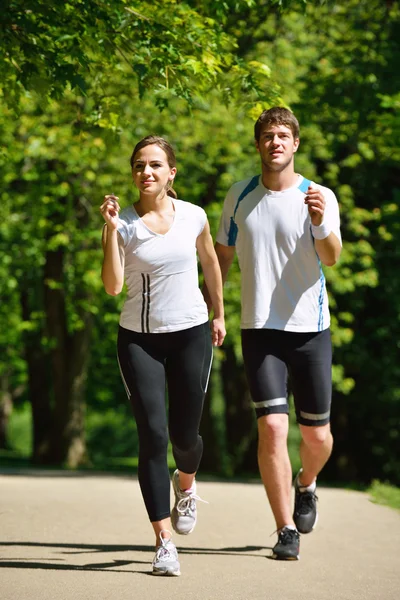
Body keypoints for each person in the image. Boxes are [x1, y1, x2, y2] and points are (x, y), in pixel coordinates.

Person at [210, 107, 342, 560]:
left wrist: (322, 221)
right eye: (268, 136)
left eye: (283, 135)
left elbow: (332, 256)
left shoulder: (317, 194)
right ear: (258, 145)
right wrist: (213, 308)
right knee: (270, 428)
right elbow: (221, 257)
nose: (276, 142)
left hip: (310, 330)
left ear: (296, 144)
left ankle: (307, 484)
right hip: (259, 329)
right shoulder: (239, 195)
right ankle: (285, 530)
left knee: (317, 438)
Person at [100, 135, 226, 576]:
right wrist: (110, 232)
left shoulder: (194, 215)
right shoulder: (124, 224)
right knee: (153, 437)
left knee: (184, 437)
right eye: (139, 165)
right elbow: (113, 287)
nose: (146, 172)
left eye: (155, 164)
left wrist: (219, 313)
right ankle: (163, 541)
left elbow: (210, 261)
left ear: (172, 172)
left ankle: (185, 485)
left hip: (191, 333)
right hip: (139, 340)